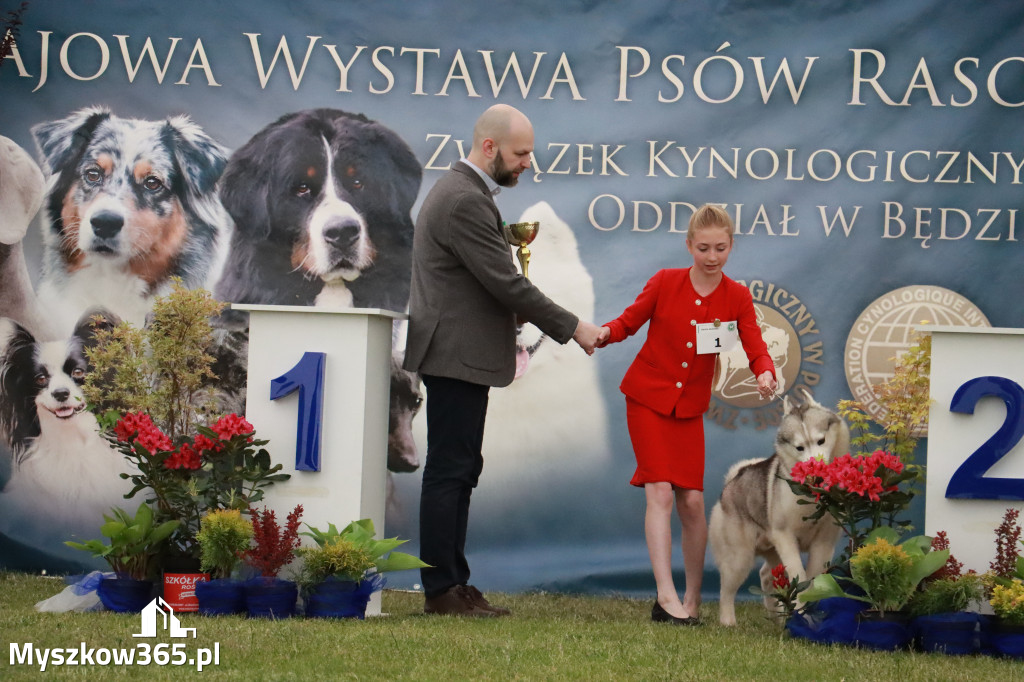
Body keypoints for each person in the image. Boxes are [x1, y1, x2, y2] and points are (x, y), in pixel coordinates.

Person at [403, 103, 605, 617]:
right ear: (489, 147)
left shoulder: (465, 194)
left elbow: (483, 284)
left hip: (460, 354)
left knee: (462, 469)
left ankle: (456, 583)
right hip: (454, 355)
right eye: (521, 153)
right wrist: (573, 326)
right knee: (450, 472)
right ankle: (442, 590)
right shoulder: (463, 200)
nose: (527, 163)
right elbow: (505, 282)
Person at [596, 204, 777, 625]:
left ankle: (693, 599)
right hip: (646, 399)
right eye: (703, 248)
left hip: (688, 411)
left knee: (692, 502)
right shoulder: (664, 282)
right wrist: (604, 334)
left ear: (731, 245)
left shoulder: (737, 296)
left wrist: (765, 371)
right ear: (688, 246)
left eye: (720, 248)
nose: (711, 257)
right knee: (658, 492)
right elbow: (628, 321)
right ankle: (665, 597)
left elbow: (754, 344)